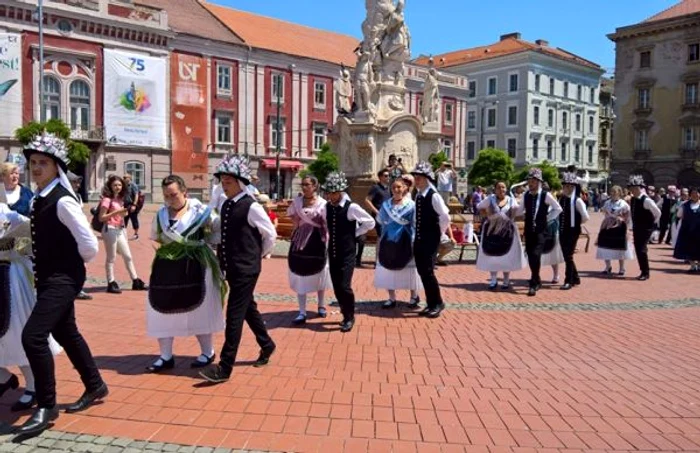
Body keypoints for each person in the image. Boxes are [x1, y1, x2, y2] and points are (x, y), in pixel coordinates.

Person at [17, 132, 107, 437]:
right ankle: (95, 385)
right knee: (66, 331)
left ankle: (47, 404)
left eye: (43, 162)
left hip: (63, 278)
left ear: (57, 167)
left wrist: (70, 267)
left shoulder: (63, 201)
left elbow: (90, 247)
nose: (37, 168)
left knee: (33, 336)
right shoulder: (40, 197)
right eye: (33, 162)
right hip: (49, 276)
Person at [199, 155, 277, 384]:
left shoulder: (251, 206)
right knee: (248, 308)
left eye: (229, 182)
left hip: (246, 268)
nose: (224, 186)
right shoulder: (227, 204)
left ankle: (224, 367)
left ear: (240, 182)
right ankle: (267, 344)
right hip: (232, 266)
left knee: (234, 315)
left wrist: (258, 255)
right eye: (222, 182)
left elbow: (270, 234)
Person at [145, 175, 225, 373]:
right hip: (168, 266)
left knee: (200, 307)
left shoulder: (201, 211)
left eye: (173, 195)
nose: (170, 199)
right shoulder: (161, 214)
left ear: (184, 192)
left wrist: (205, 242)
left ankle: (208, 351)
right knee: (161, 307)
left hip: (196, 263)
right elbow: (155, 236)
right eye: (166, 196)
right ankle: (165, 356)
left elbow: (217, 229)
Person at [0, 187, 63, 413]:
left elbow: (28, 242)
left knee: (16, 332)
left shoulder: (10, 216)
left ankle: (33, 386)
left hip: (11, 281)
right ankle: (5, 377)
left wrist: (5, 247)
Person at [322, 172, 375, 332]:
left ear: (340, 191)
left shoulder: (351, 207)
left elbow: (370, 222)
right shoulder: (327, 207)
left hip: (348, 252)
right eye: (329, 192)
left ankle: (349, 316)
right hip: (333, 251)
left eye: (333, 192)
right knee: (337, 285)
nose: (331, 195)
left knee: (345, 286)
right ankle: (345, 313)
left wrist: (355, 233)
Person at [287, 176, 332, 325]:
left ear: (315, 186)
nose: (304, 187)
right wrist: (297, 228)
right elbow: (293, 217)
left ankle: (321, 305)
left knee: (319, 273)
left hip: (317, 241)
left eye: (307, 184)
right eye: (303, 184)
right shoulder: (297, 202)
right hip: (300, 242)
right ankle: (302, 312)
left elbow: (327, 223)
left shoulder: (323, 204)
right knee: (300, 273)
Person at [375, 174, 422, 308]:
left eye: (399, 187)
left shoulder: (411, 205)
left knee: (409, 269)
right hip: (388, 240)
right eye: (394, 187)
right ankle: (391, 298)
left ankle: (413, 296)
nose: (396, 189)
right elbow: (380, 220)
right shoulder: (385, 205)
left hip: (406, 240)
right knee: (388, 267)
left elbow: (415, 223)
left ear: (405, 188)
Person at [513, 168, 562, 297]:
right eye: (529, 180)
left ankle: (534, 283)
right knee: (530, 255)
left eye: (533, 180)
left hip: (541, 231)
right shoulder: (526, 195)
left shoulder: (546, 195)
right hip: (529, 230)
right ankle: (536, 278)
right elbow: (519, 211)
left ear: (539, 182)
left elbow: (558, 209)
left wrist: (547, 218)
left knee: (535, 254)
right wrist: (511, 209)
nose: (531, 183)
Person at [410, 162, 450, 318]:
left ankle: (437, 302)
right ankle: (430, 302)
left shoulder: (434, 196)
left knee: (428, 272)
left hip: (430, 240)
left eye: (419, 177)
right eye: (416, 177)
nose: (417, 180)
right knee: (422, 272)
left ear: (427, 179)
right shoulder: (419, 195)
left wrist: (438, 233)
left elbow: (445, 216)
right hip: (420, 239)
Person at [98, 175, 147, 294]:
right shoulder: (107, 199)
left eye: (119, 185)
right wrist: (117, 212)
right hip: (109, 229)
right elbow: (101, 218)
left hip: (119, 229)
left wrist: (122, 214)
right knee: (111, 258)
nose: (117, 187)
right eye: (115, 185)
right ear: (110, 186)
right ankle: (111, 282)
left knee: (128, 256)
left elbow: (119, 215)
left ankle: (135, 281)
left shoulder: (120, 199)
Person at [475, 181, 525, 290]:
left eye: (503, 187)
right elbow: (479, 206)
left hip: (507, 231)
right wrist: (487, 214)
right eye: (498, 187)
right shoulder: (490, 199)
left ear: (506, 189)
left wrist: (521, 203)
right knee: (492, 255)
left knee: (506, 256)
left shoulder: (511, 200)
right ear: (495, 189)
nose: (501, 189)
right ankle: (493, 280)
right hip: (492, 230)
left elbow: (519, 212)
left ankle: (506, 280)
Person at [558, 173, 590, 290]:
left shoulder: (577, 201)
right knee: (567, 256)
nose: (568, 188)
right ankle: (575, 277)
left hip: (573, 231)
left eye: (571, 186)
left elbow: (586, 217)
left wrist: (576, 223)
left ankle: (569, 280)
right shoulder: (561, 199)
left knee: (569, 255)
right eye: (566, 186)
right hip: (562, 230)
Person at [627, 175, 661, 281]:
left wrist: (651, 224)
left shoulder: (646, 200)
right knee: (638, 249)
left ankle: (646, 272)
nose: (633, 190)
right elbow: (632, 214)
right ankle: (642, 270)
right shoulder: (633, 199)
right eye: (631, 188)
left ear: (640, 187)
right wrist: (631, 226)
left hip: (646, 229)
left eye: (635, 187)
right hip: (637, 228)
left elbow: (658, 213)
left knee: (641, 249)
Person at [596, 185, 635, 275]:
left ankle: (621, 268)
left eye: (615, 192)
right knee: (604, 246)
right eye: (612, 191)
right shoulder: (607, 202)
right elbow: (604, 212)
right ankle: (608, 266)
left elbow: (628, 216)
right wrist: (608, 220)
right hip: (608, 226)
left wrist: (626, 226)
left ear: (619, 193)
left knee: (620, 247)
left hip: (619, 227)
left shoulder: (623, 204)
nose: (613, 193)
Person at [66, 172, 93, 301]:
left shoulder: (77, 196)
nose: (77, 185)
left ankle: (79, 288)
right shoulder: (64, 197)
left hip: (78, 234)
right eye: (74, 182)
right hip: (68, 235)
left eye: (78, 182)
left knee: (81, 264)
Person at [362, 169, 392, 268]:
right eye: (386, 175)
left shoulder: (388, 189)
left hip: (388, 216)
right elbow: (367, 200)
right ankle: (378, 260)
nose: (388, 177)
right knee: (380, 236)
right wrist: (377, 211)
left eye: (389, 175)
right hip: (379, 216)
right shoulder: (375, 188)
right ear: (380, 177)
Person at [673, 186, 700, 273]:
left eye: (697, 193)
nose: (695, 195)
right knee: (689, 248)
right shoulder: (684, 205)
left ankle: (699, 265)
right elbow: (679, 215)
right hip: (688, 231)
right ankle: (692, 266)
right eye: (692, 193)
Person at [122, 173, 142, 240]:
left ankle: (136, 234)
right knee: (124, 220)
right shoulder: (123, 185)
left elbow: (136, 195)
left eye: (125, 177)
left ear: (129, 178)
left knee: (134, 219)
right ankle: (123, 234)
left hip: (132, 205)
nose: (124, 178)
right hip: (125, 205)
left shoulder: (133, 185)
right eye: (123, 177)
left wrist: (134, 205)